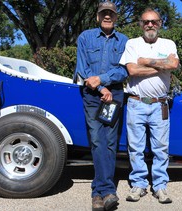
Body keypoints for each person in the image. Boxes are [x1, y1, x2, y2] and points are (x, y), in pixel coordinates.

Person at [119, 8, 180, 204]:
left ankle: (160, 186)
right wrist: (161, 65)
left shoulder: (168, 43)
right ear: (141, 24)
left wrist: (145, 61)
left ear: (160, 23)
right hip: (136, 103)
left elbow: (173, 65)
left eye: (153, 21)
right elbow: (132, 70)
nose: (150, 25)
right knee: (135, 148)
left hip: (159, 104)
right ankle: (139, 184)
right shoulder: (132, 43)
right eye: (146, 22)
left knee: (161, 148)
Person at [73, 1, 128, 210]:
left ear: (115, 18)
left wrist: (103, 80)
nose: (107, 16)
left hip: (114, 95)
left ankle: (98, 193)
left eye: (111, 14)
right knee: (97, 140)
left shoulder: (124, 41)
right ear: (97, 17)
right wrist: (100, 88)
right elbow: (82, 68)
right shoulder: (85, 37)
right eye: (103, 13)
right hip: (92, 95)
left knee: (110, 142)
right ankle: (107, 191)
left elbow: (124, 71)